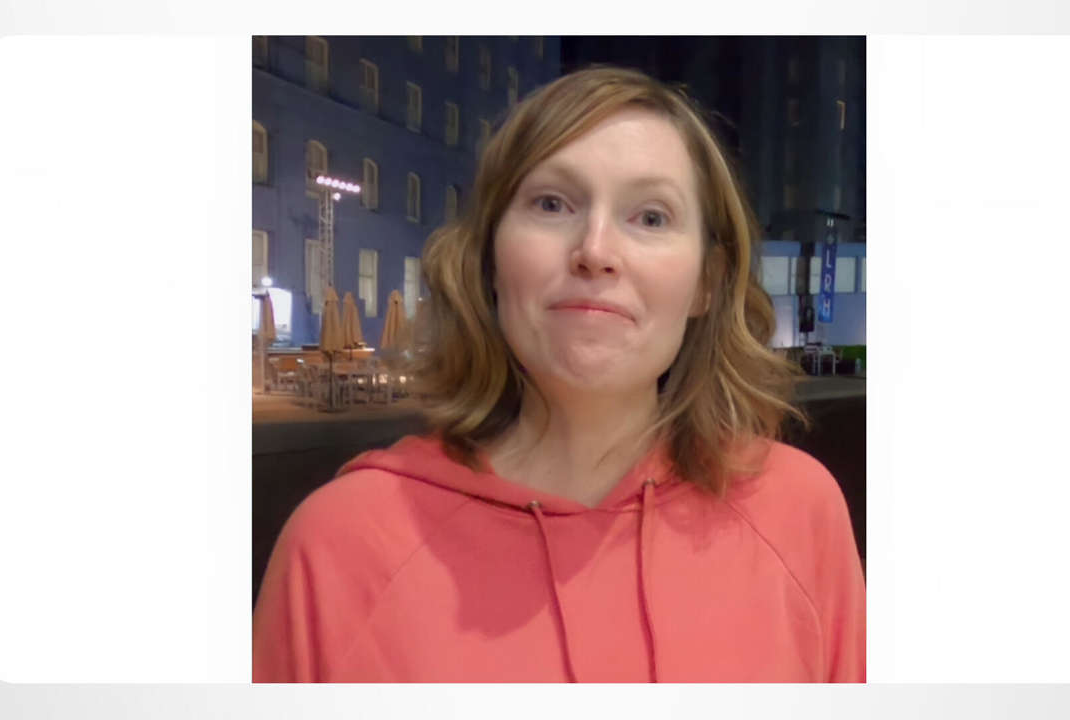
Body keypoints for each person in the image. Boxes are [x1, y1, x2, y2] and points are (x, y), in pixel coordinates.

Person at [252, 66, 865, 683]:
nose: (595, 251)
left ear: (707, 281)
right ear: (490, 260)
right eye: (552, 204)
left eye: (651, 217)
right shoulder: (339, 547)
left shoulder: (798, 514)